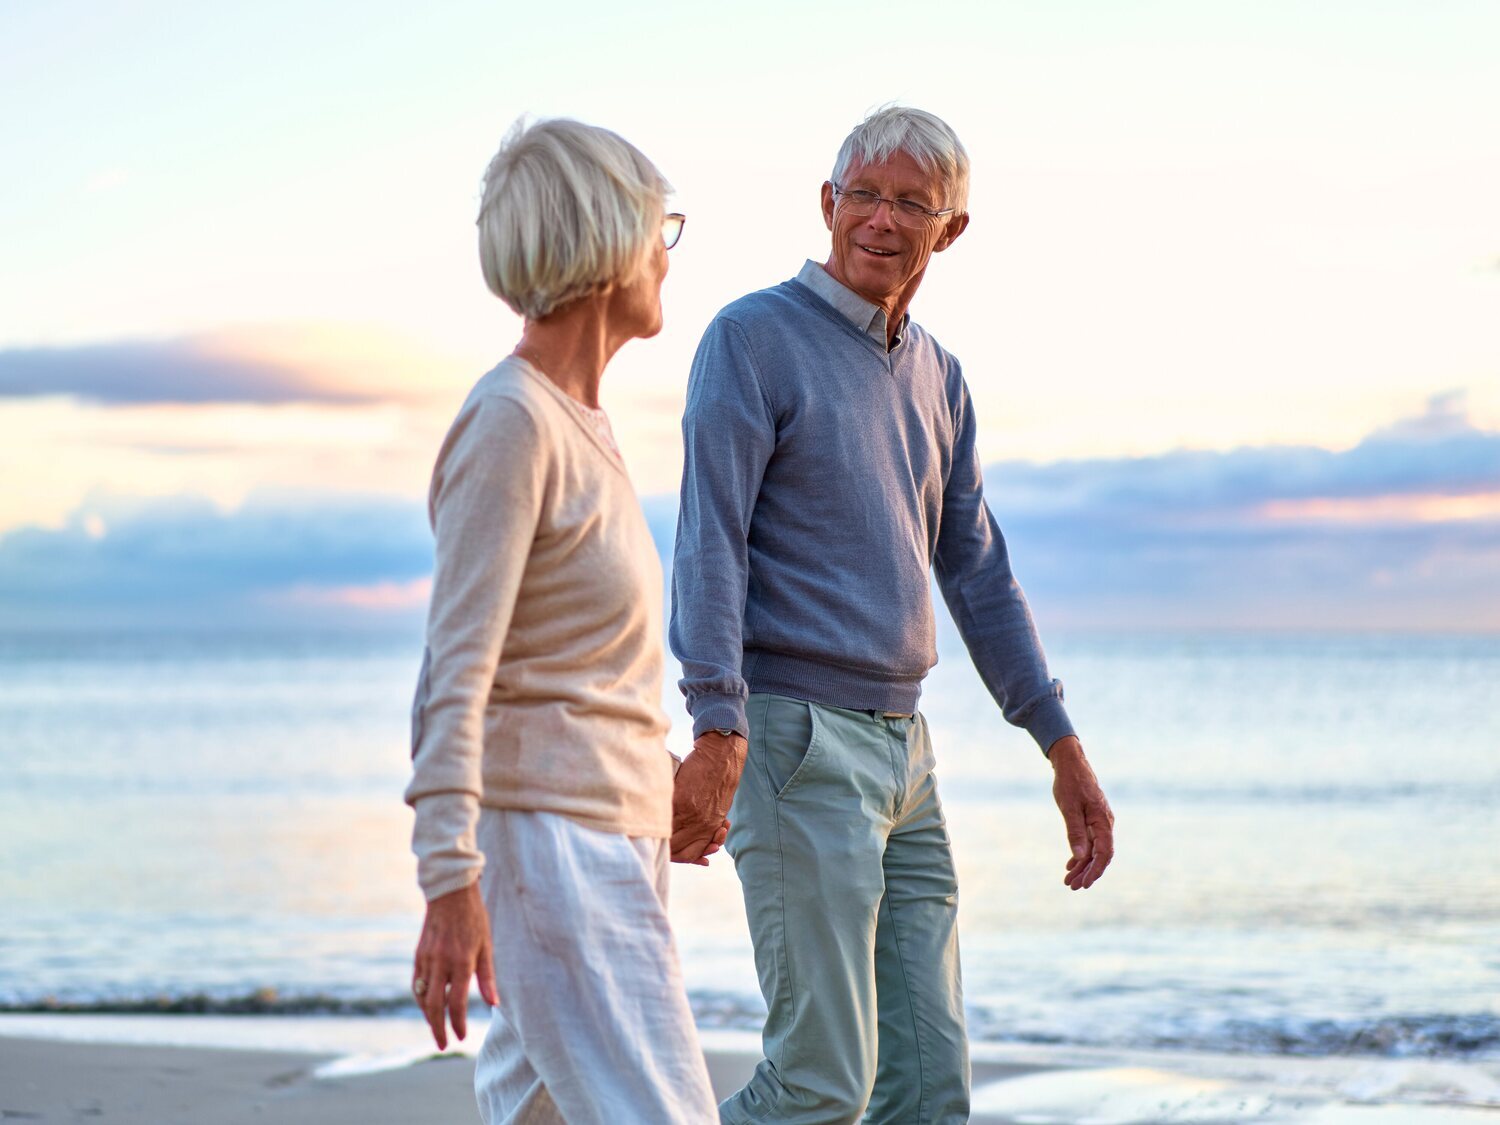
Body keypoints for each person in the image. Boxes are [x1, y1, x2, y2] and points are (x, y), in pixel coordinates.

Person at [669, 105, 1116, 1124]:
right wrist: (716, 724)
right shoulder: (751, 340)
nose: (881, 219)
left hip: (904, 754)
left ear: (949, 230)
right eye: (863, 194)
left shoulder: (939, 378)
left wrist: (1062, 744)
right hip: (791, 742)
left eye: (912, 202)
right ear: (827, 205)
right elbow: (709, 542)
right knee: (820, 1085)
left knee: (923, 1087)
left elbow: (979, 570)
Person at [405, 117, 721, 1125]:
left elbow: (586, 671)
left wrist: (656, 777)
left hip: (607, 835)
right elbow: (456, 673)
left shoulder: (581, 424)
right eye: (655, 229)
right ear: (600, 243)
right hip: (555, 847)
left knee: (535, 1115)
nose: (666, 256)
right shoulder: (512, 424)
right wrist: (450, 879)